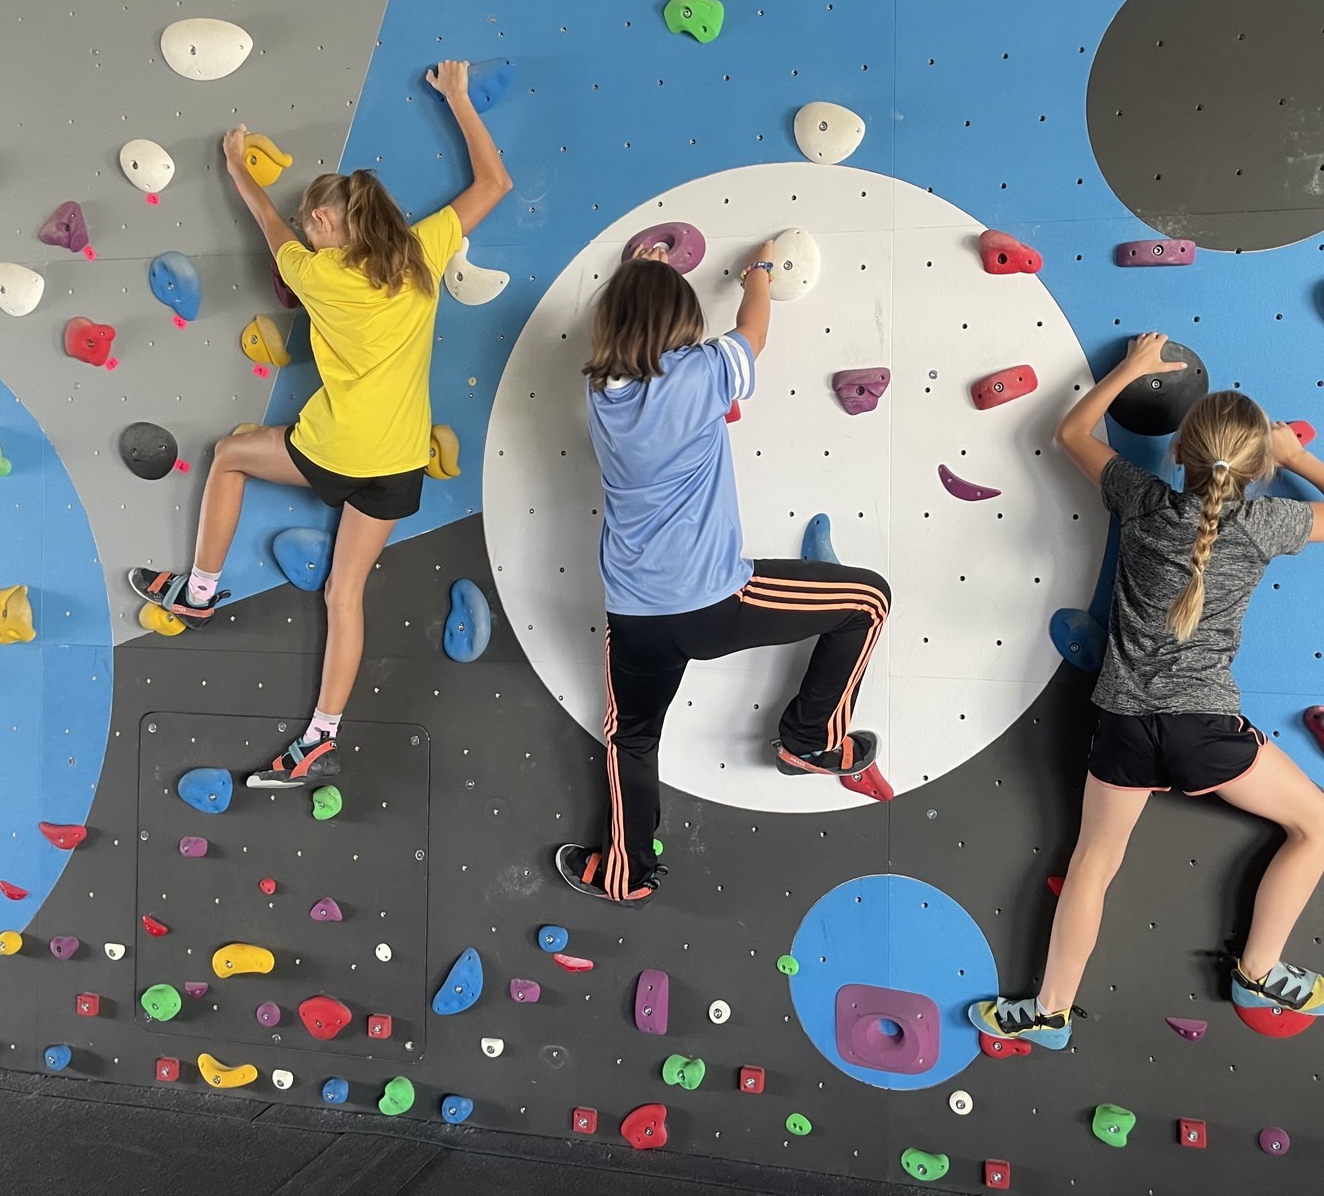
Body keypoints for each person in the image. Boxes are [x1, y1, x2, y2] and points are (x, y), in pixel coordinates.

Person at [970, 332, 1324, 1047]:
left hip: (1124, 725)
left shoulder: (1140, 498)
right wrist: (1296, 457)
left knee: (1091, 865)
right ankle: (1258, 971)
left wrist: (1130, 368)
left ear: (1180, 452)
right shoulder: (1265, 523)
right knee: (1317, 825)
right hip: (1203, 731)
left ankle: (1049, 1012)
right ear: (1256, 468)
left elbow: (1070, 432)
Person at [129, 60, 511, 789]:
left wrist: (240, 171)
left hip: (334, 452)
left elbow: (269, 225)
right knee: (344, 594)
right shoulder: (420, 253)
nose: (306, 230)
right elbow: (494, 183)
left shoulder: (318, 273)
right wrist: (460, 98)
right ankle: (320, 739)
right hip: (400, 465)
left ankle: (199, 591)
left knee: (230, 454)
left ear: (329, 223)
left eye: (313, 222)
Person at [556, 241, 892, 906]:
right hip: (715, 603)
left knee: (632, 738)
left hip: (635, 616)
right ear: (681, 325)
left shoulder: (602, 395)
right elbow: (754, 330)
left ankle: (625, 873)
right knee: (868, 599)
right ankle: (810, 741)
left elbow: (639, 339)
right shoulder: (703, 373)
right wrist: (758, 272)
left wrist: (644, 275)